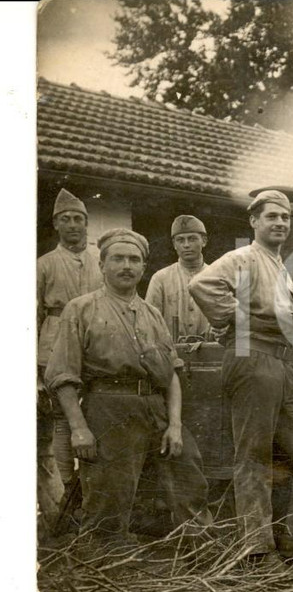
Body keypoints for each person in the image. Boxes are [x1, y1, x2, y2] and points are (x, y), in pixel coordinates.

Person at [189, 189, 293, 565]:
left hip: (279, 367)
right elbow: (202, 285)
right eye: (271, 216)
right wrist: (242, 322)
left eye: (285, 218)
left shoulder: (278, 265)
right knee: (252, 455)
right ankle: (256, 548)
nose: (280, 223)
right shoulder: (244, 258)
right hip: (252, 361)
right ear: (254, 221)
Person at [44, 228, 211, 539]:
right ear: (102, 265)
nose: (127, 266)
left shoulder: (152, 314)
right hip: (109, 408)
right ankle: (109, 563)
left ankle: (199, 552)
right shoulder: (80, 309)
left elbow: (172, 374)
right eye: (118, 259)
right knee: (110, 498)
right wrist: (79, 428)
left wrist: (174, 425)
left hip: (156, 408)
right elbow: (63, 377)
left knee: (188, 474)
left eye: (134, 260)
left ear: (143, 268)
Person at [36, 188, 103, 530]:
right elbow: (30, 316)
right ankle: (63, 498)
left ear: (87, 224)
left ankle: (89, 499)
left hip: (93, 344)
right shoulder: (44, 265)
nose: (74, 225)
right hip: (54, 341)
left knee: (91, 418)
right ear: (56, 225)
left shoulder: (99, 262)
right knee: (61, 421)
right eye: (66, 219)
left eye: (79, 219)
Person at [145, 215, 212, 340]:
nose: (186, 245)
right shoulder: (160, 278)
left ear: (204, 241)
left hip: (211, 352)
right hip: (171, 352)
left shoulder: (218, 277)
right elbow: (149, 324)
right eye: (180, 240)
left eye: (192, 239)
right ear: (174, 244)